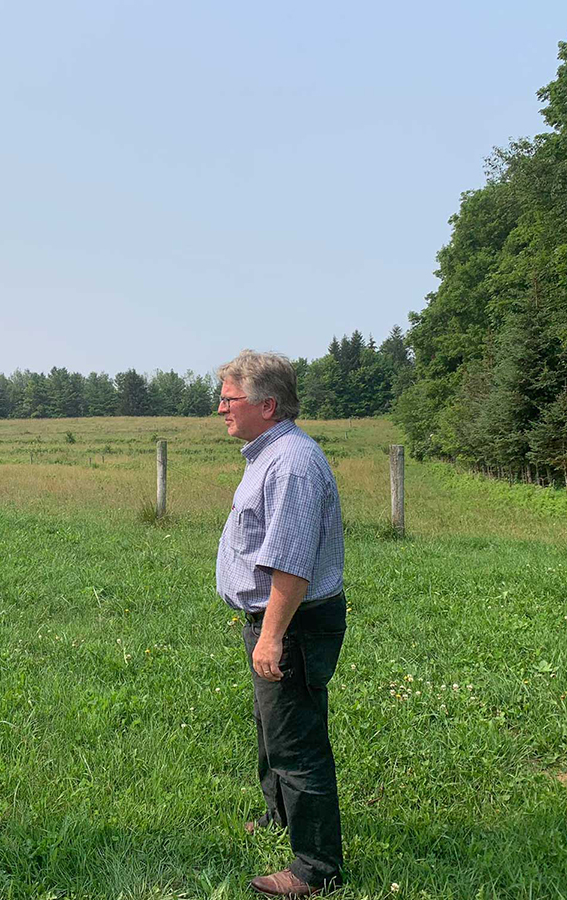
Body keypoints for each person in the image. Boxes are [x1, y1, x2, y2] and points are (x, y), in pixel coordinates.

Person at [214, 351, 346, 898]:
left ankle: (316, 869)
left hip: (291, 622)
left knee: (296, 741)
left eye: (229, 399)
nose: (220, 408)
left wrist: (270, 635)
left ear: (266, 405)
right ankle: (280, 817)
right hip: (278, 619)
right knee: (272, 728)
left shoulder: (290, 463)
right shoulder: (269, 455)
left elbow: (291, 566)